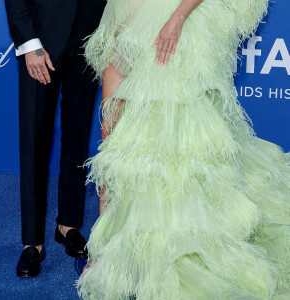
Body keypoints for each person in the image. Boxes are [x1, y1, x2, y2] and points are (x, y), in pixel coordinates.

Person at [78, 0, 290, 298]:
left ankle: (165, 250)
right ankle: (103, 248)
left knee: (162, 144)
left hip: (169, 20)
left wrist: (178, 18)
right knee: (109, 135)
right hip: (122, 14)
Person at [4, 0, 106, 277]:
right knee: (35, 141)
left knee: (77, 137)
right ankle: (32, 243)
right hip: (41, 40)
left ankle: (68, 225)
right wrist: (29, 42)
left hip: (89, 38)